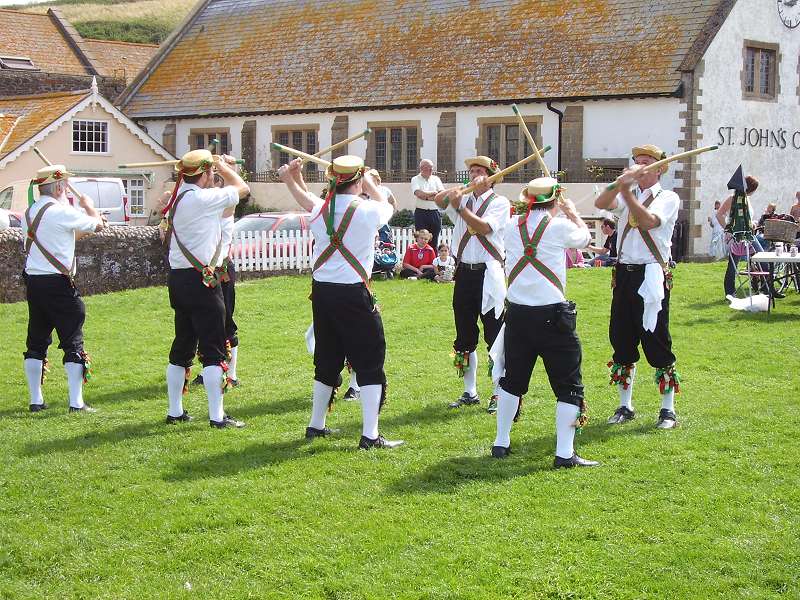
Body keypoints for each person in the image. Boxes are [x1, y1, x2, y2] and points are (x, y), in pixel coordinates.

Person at [278, 155, 403, 449]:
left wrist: (290, 178)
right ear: (358, 181)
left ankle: (316, 425)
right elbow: (389, 206)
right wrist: (371, 183)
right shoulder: (370, 210)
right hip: (352, 293)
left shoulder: (321, 210)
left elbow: (306, 198)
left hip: (322, 293)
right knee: (371, 360)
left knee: (327, 356)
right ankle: (370, 435)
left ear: (334, 180)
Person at [492, 177, 598, 468]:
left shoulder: (512, 227)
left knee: (512, 380)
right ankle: (564, 453)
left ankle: (501, 442)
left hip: (517, 315)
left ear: (528, 200)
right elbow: (585, 238)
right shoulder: (560, 226)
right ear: (554, 200)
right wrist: (572, 210)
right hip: (553, 317)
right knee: (568, 385)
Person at [594, 144, 681, 430]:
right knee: (621, 338)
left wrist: (628, 193)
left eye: (646, 162)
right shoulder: (626, 193)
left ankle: (667, 409)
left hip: (651, 273)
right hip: (624, 274)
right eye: (637, 161)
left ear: (658, 169)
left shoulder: (668, 197)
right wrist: (619, 184)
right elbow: (601, 204)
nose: (640, 166)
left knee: (656, 338)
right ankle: (625, 405)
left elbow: (647, 220)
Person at [162, 149, 249, 428]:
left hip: (178, 279)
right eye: (211, 172)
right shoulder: (201, 198)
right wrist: (224, 167)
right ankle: (217, 416)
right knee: (213, 349)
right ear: (206, 172)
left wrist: (216, 168)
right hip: (202, 281)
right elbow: (242, 188)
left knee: (182, 345)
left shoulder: (178, 198)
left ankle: (175, 411)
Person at [21, 165, 106, 413]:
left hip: (35, 283)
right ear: (59, 187)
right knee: (73, 341)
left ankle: (36, 401)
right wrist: (90, 206)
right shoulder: (60, 211)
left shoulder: (32, 211)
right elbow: (97, 225)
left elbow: (67, 235)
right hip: (58, 284)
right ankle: (76, 402)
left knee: (36, 341)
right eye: (65, 185)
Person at [433, 156, 510, 414]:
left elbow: (485, 228)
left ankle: (500, 392)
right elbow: (437, 201)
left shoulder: (500, 202)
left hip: (489, 274)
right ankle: (470, 391)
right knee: (464, 333)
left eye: (480, 171)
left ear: (491, 177)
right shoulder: (463, 198)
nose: (475, 174)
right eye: (472, 171)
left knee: (494, 332)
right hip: (464, 272)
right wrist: (454, 193)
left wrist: (460, 208)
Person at [716, 174, 772, 298]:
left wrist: (753, 223)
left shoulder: (746, 199)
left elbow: (747, 217)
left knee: (762, 258)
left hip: (749, 234)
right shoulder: (732, 198)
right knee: (733, 265)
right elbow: (719, 214)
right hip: (736, 236)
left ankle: (767, 289)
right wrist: (728, 229)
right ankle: (730, 292)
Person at [410, 159, 445, 249]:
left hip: (434, 213)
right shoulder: (415, 179)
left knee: (434, 240)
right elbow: (419, 194)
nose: (431, 170)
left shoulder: (436, 179)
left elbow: (442, 195)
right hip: (421, 213)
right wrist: (434, 193)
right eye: (428, 168)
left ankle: (433, 262)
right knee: (421, 240)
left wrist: (426, 197)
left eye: (432, 168)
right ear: (422, 168)